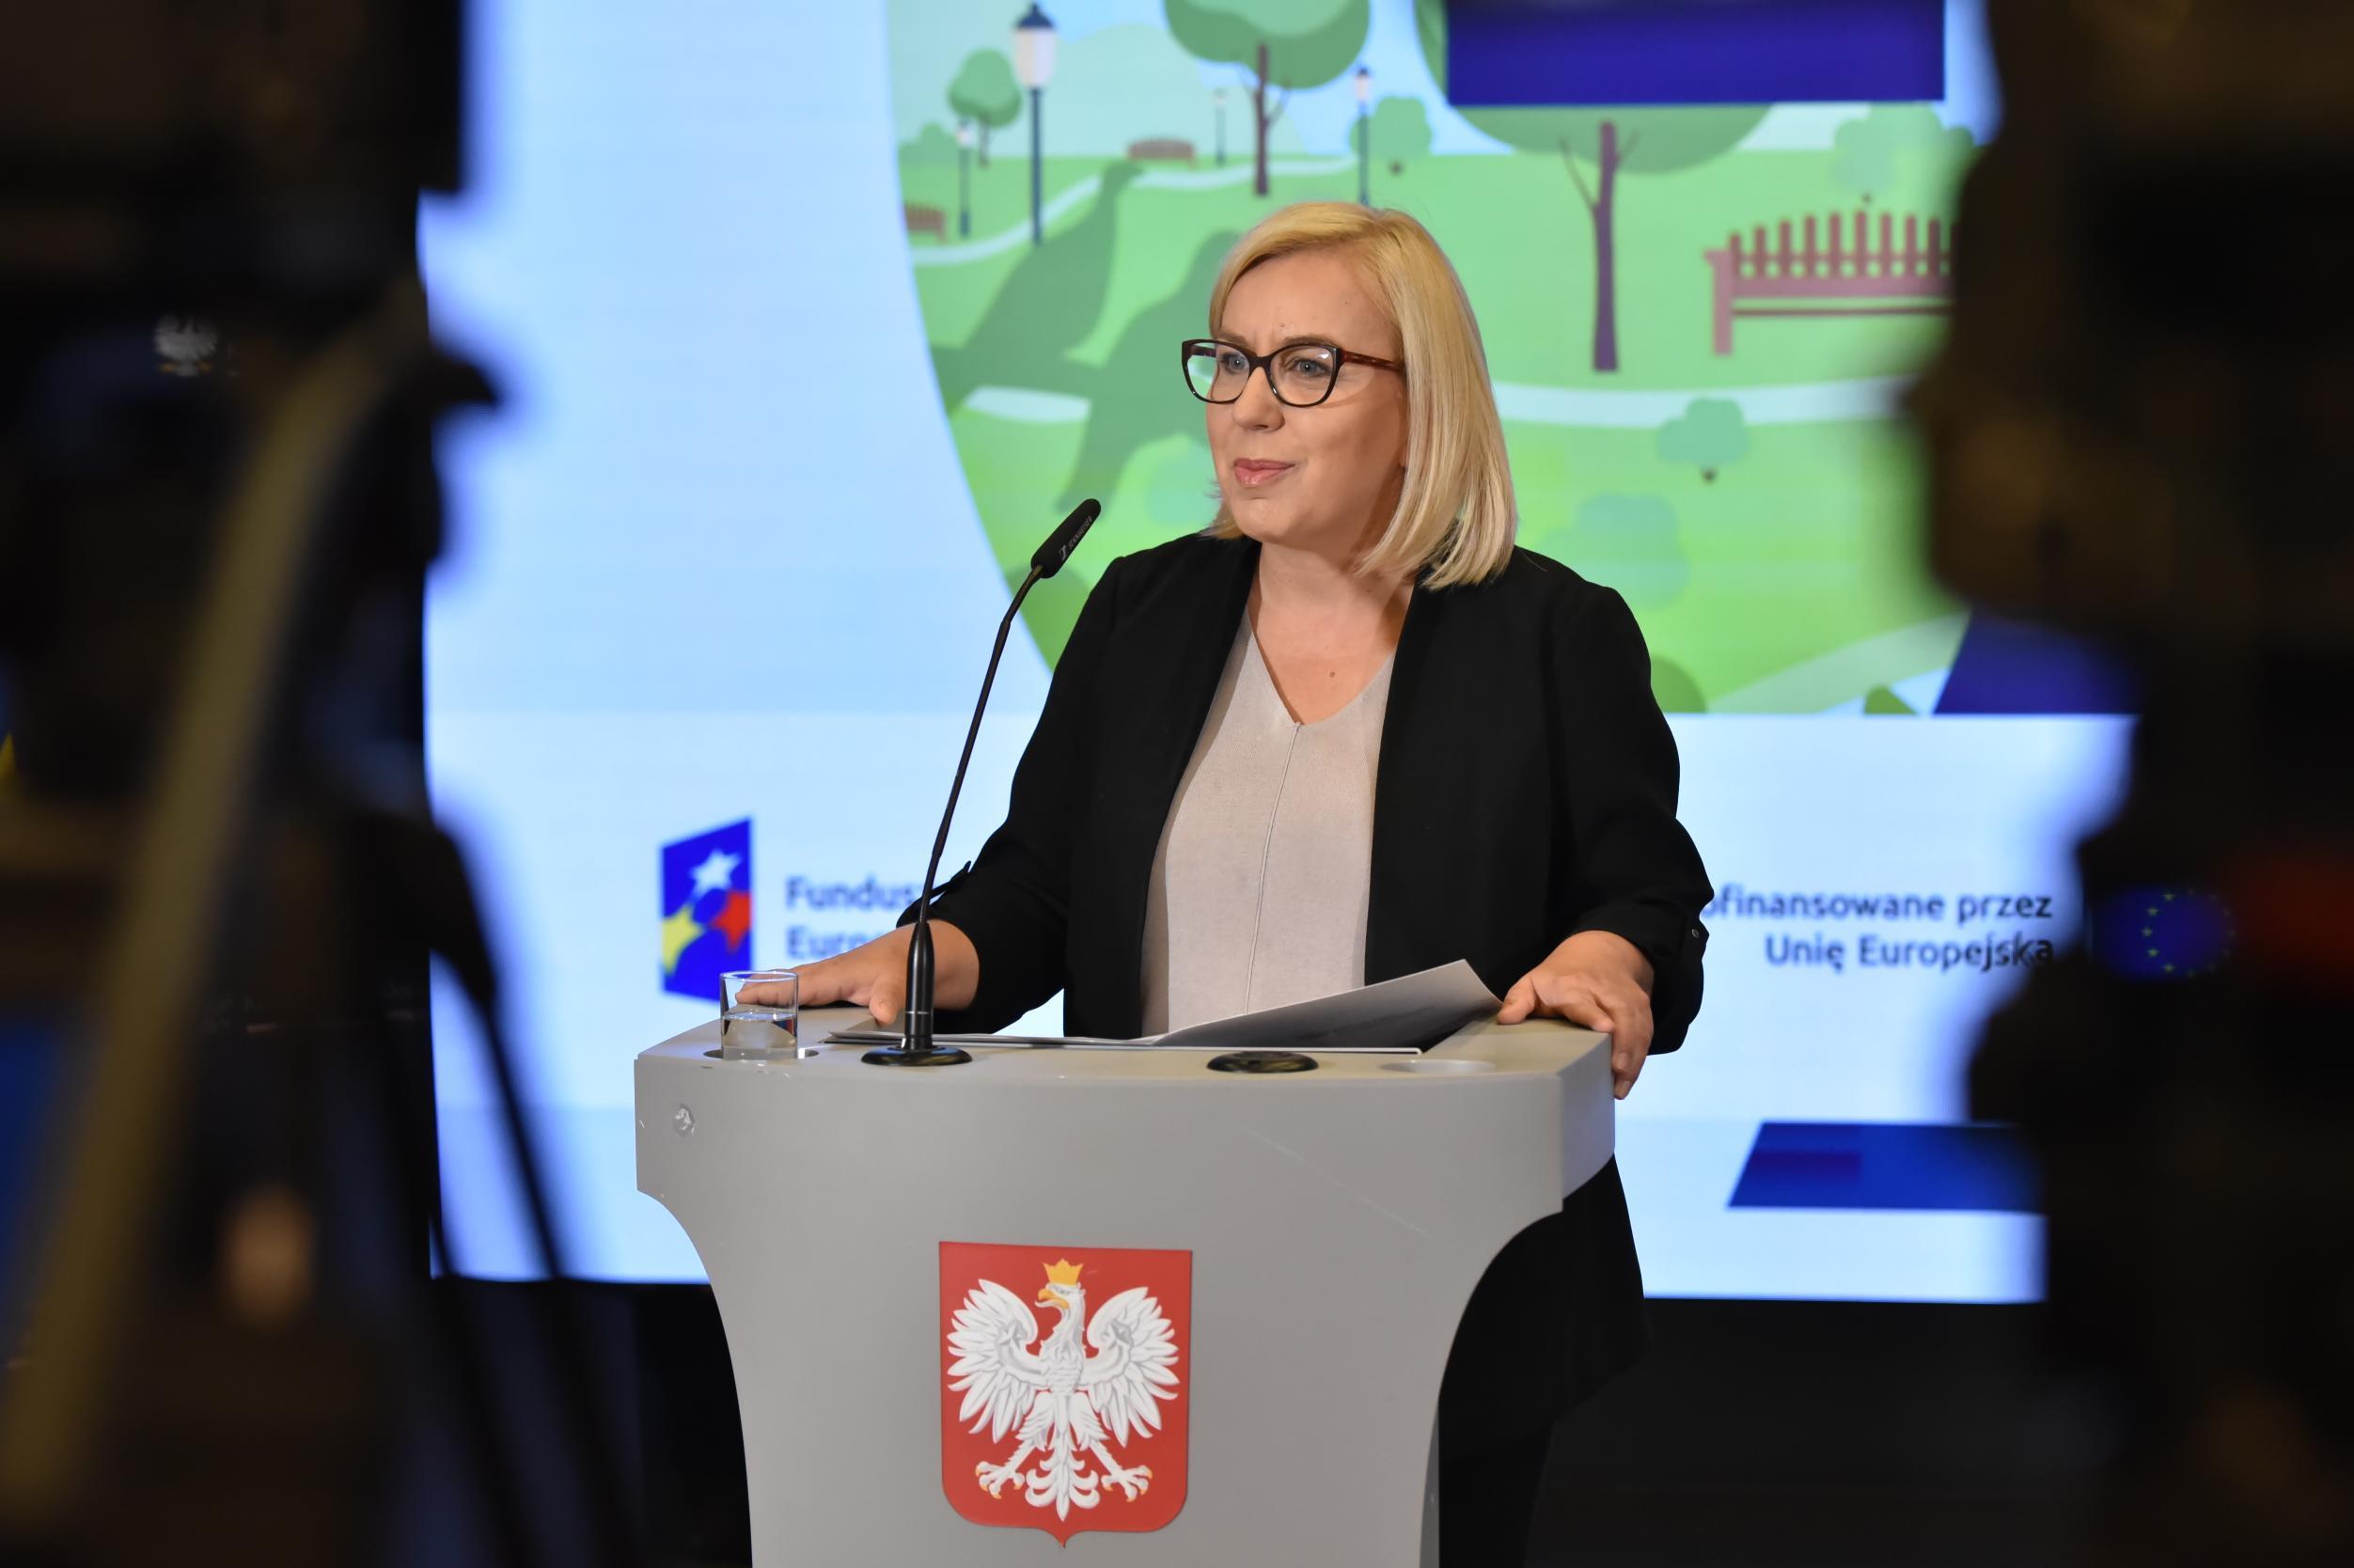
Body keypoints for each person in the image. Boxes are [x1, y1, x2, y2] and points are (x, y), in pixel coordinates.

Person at [764, 202, 1711, 1565]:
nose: (1250, 408)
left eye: (1308, 367)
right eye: (1231, 360)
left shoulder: (1549, 635)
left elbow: (1644, 897)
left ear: (1422, 406)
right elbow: (1040, 890)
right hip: (1148, 1270)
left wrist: (1610, 958)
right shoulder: (1141, 613)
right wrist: (929, 955)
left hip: (1438, 1278)